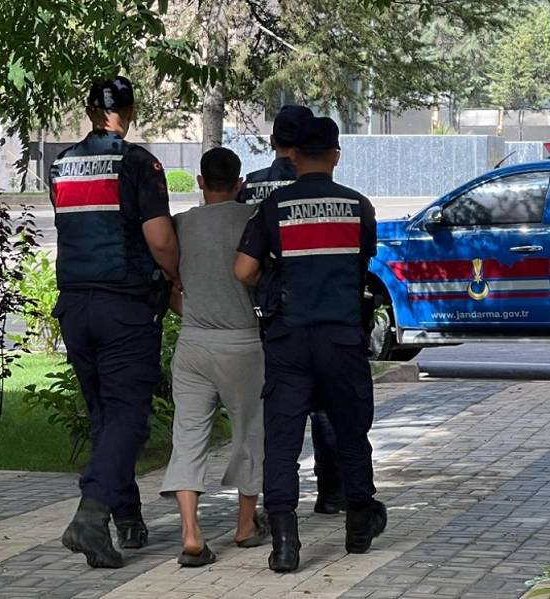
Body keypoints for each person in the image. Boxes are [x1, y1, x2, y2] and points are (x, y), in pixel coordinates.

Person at [234, 116, 386, 573]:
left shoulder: (275, 207)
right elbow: (361, 266)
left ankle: (284, 543)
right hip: (341, 338)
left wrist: (273, 285)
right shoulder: (358, 207)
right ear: (336, 155)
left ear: (294, 155)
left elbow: (243, 270)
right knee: (350, 432)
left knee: (282, 441)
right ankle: (359, 524)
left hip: (289, 341)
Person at [49, 76, 180, 569]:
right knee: (128, 415)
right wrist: (174, 277)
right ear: (131, 111)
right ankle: (90, 516)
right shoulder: (139, 163)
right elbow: (161, 239)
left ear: (88, 111)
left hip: (75, 306)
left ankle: (125, 521)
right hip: (124, 306)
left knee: (106, 414)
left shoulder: (61, 164)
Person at [160, 147, 269, 567]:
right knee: (250, 432)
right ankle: (245, 525)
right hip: (245, 344)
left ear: (200, 181)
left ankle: (191, 533)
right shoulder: (254, 220)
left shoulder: (181, 226)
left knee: (187, 436)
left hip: (193, 344)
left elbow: (173, 292)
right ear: (240, 183)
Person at [239, 104, 347, 516]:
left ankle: (274, 501)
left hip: (263, 313)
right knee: (324, 407)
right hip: (317, 310)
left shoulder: (249, 187)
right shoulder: (323, 191)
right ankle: (330, 490)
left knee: (278, 408)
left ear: (274, 142)